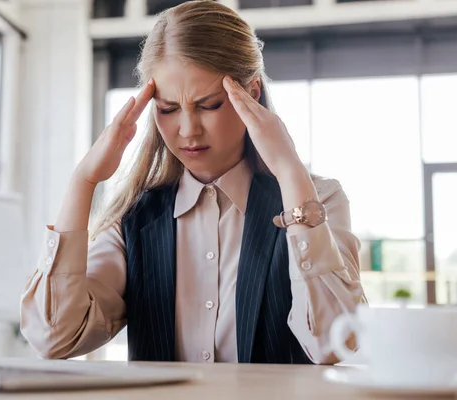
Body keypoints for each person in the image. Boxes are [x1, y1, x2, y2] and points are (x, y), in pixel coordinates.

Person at [20, 0, 366, 364]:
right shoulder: (133, 219)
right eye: (168, 110)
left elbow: (334, 344)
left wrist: (290, 170)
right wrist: (83, 181)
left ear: (252, 92)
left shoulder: (318, 200)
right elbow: (54, 338)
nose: (188, 130)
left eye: (209, 105)